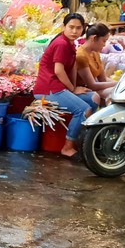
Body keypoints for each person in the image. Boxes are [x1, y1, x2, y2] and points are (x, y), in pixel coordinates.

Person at [33, 13, 98, 158]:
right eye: (71, 27)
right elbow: (59, 70)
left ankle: (84, 141)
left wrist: (74, 88)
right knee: (83, 110)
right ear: (64, 27)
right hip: (48, 89)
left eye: (78, 28)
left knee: (94, 98)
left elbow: (72, 68)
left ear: (83, 29)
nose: (74, 31)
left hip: (60, 88)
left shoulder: (71, 44)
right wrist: (72, 89)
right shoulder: (61, 43)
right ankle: (68, 146)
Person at [76, 23, 117, 104]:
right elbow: (92, 85)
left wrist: (120, 84)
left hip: (94, 89)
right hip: (85, 91)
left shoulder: (95, 53)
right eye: (104, 41)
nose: (105, 44)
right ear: (94, 38)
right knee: (114, 94)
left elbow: (103, 79)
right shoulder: (81, 55)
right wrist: (117, 84)